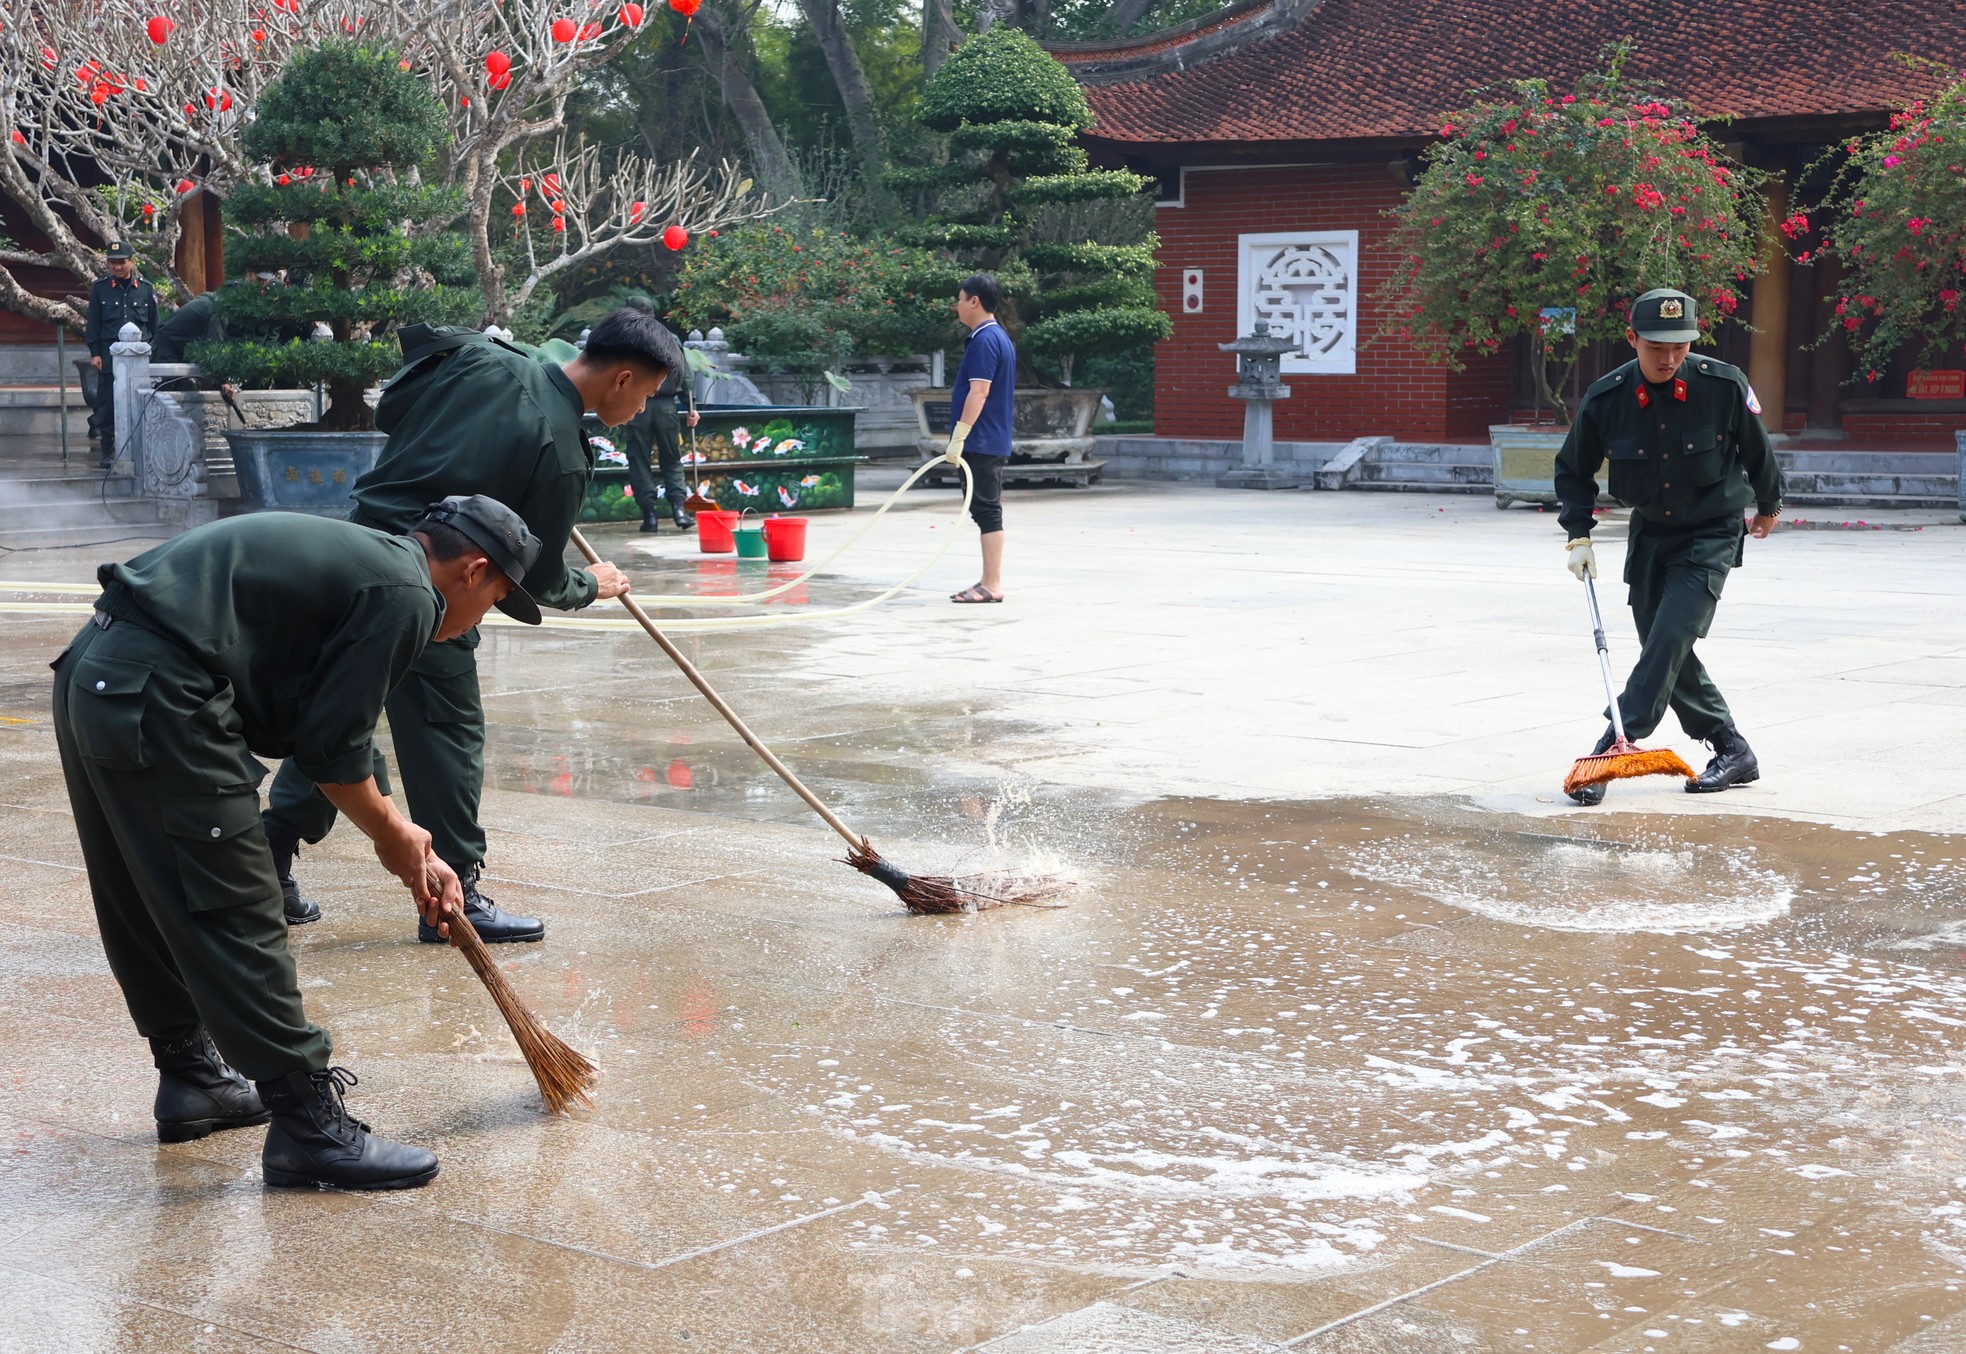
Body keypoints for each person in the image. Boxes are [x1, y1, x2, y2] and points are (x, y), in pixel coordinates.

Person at [53, 495, 544, 1188]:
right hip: (162, 690)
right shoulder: (408, 596)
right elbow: (332, 753)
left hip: (99, 671)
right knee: (237, 903)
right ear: (475, 569)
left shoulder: (370, 564)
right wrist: (395, 837)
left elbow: (337, 733)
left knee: (144, 889)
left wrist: (411, 841)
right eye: (494, 601)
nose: (479, 622)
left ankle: (194, 1080)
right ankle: (310, 1127)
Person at [262, 307, 682, 940]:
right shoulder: (562, 451)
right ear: (621, 379)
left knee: (344, 708)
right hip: (429, 585)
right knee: (446, 730)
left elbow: (393, 409)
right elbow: (535, 578)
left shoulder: (485, 358)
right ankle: (453, 893)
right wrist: (590, 585)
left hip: (358, 551)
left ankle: (269, 856)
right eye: (648, 395)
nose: (644, 410)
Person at [1554, 288, 1786, 806]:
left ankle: (1612, 747)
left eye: (1680, 346)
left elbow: (1758, 448)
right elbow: (1573, 469)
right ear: (1632, 338)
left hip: (1712, 530)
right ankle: (1732, 748)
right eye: (1657, 346)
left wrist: (1768, 504)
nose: (1669, 358)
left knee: (1669, 639)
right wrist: (1578, 533)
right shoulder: (1606, 398)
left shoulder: (1722, 385)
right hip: (1651, 534)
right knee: (1664, 647)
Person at [942, 274, 1016, 604]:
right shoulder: (991, 336)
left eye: (960, 299)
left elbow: (980, 391)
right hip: (984, 438)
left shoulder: (986, 340)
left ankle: (992, 584)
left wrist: (960, 434)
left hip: (982, 439)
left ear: (975, 301)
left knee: (987, 511)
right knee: (984, 510)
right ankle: (988, 580)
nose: (956, 305)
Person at [83, 241, 159, 470]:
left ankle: (143, 448)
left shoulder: (145, 288)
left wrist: (152, 353)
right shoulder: (100, 289)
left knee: (142, 402)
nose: (117, 267)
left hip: (139, 358)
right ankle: (107, 448)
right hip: (109, 356)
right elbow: (93, 323)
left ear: (131, 262)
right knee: (107, 403)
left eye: (121, 262)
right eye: (112, 262)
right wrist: (95, 353)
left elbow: (155, 326)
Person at [620, 332, 698, 533]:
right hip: (667, 407)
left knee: (639, 460)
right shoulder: (670, 337)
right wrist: (691, 406)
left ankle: (650, 516)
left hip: (638, 405)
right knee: (671, 458)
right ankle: (679, 510)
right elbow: (684, 372)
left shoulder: (628, 336)